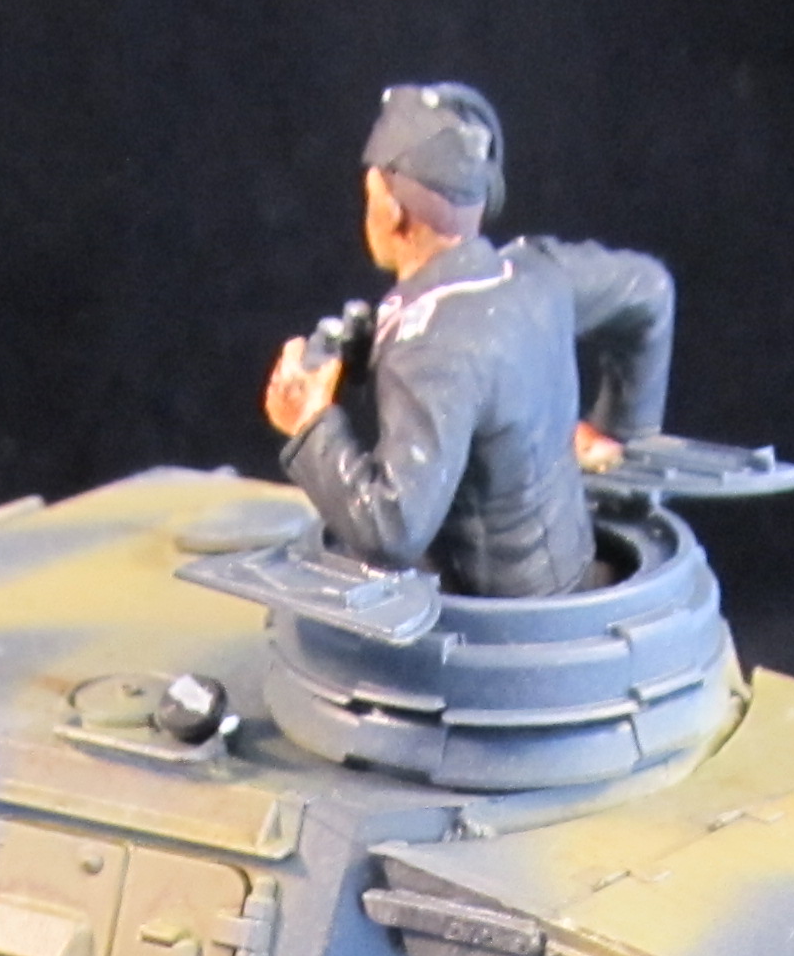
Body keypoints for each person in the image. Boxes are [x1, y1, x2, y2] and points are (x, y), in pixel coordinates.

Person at [261, 84, 673, 599]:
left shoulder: (430, 351)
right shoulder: (541, 274)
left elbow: (390, 529)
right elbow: (649, 290)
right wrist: (619, 431)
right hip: (573, 572)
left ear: (392, 210)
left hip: (491, 618)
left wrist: (310, 425)